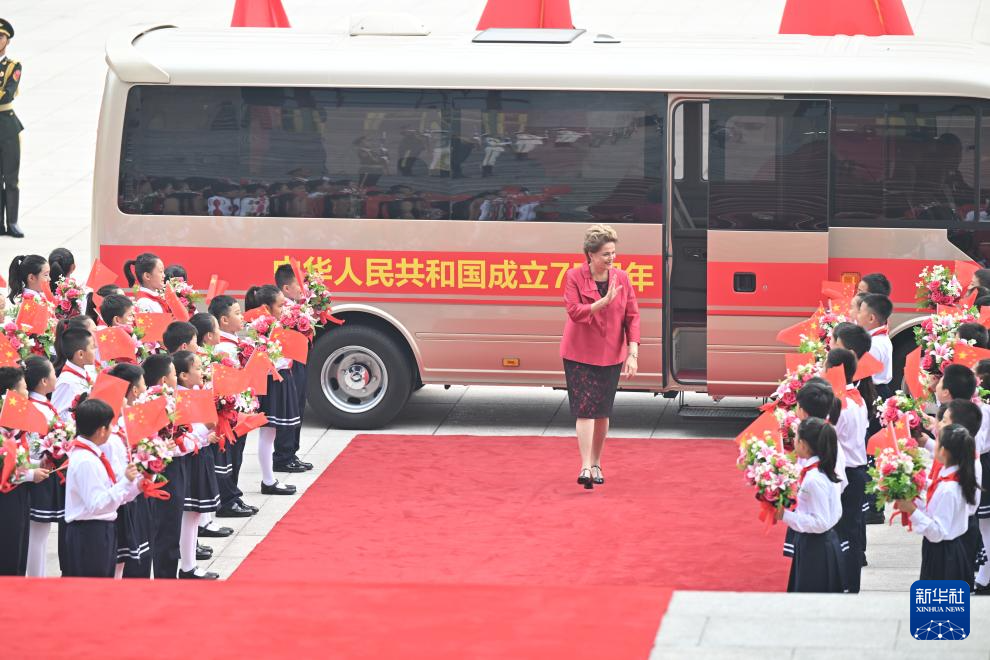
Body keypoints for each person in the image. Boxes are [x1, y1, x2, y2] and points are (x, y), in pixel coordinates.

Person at [560, 224, 640, 489]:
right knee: (585, 409)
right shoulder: (573, 276)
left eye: (613, 253)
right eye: (606, 254)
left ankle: (596, 462)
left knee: (602, 411)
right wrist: (602, 303)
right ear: (591, 254)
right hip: (579, 353)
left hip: (611, 354)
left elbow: (632, 316)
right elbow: (574, 311)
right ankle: (585, 466)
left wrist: (632, 353)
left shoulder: (622, 278)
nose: (611, 258)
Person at [63, 399, 142, 578]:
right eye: (110, 425)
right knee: (93, 587)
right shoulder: (86, 461)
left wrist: (137, 485)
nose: (112, 430)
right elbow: (97, 504)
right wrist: (125, 482)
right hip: (89, 533)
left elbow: (110, 494)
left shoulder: (91, 455)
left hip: (98, 530)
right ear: (101, 430)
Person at [896, 424, 979, 588]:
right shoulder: (951, 477)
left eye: (937, 442)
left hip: (943, 556)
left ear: (944, 452)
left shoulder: (949, 489)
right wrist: (917, 483)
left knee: (939, 603)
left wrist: (912, 510)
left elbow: (937, 532)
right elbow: (934, 496)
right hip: (945, 551)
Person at [777, 417, 845, 593]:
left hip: (816, 549)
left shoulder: (814, 479)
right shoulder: (824, 468)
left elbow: (820, 522)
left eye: (796, 437)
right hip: (822, 543)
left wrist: (784, 515)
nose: (794, 441)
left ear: (804, 445)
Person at [244, 284, 296, 496]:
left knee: (271, 432)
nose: (284, 309)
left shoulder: (274, 324)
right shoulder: (260, 329)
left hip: (279, 379)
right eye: (281, 305)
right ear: (267, 307)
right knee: (268, 431)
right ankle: (268, 480)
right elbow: (261, 361)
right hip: (270, 383)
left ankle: (270, 479)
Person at [104, 362, 154, 578]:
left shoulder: (134, 417)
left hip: (135, 491)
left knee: (139, 548)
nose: (146, 389)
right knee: (124, 555)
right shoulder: (119, 424)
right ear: (134, 390)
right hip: (124, 493)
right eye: (143, 384)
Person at [173, 350, 220, 579]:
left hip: (200, 453)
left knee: (194, 514)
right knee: (190, 513)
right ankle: (187, 567)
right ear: (183, 375)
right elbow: (183, 432)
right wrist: (205, 431)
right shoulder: (179, 398)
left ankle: (190, 564)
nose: (202, 372)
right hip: (190, 457)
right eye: (198, 368)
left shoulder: (195, 392)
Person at [208, 295, 256, 518]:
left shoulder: (235, 343)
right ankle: (227, 500)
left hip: (238, 407)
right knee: (228, 456)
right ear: (224, 320)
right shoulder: (223, 348)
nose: (242, 316)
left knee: (236, 454)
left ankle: (232, 496)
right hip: (229, 411)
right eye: (237, 313)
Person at [825, 348, 869, 592]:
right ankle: (850, 584)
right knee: (850, 531)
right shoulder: (856, 397)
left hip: (845, 473)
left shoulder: (840, 404)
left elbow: (829, 438)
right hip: (856, 469)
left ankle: (846, 585)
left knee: (843, 533)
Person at [0, 366, 50, 574]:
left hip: (20, 495)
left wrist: (39, 464)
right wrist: (31, 475)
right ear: (11, 394)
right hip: (6, 499)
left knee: (20, 548)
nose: (27, 393)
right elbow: (4, 468)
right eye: (24, 388)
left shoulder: (14, 426)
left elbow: (19, 461)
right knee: (9, 551)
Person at [273, 264, 313, 474]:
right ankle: (283, 456)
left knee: (298, 406)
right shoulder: (283, 310)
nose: (302, 288)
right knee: (290, 408)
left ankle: (291, 453)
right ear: (286, 288)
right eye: (299, 284)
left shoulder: (297, 307)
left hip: (298, 360)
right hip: (288, 364)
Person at [23, 356, 61, 577]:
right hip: (37, 473)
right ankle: (36, 581)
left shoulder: (42, 406)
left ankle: (38, 579)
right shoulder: (36, 409)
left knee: (40, 534)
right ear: (44, 381)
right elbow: (31, 446)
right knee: (37, 535)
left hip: (42, 471)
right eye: (53, 373)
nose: (56, 377)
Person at [0, 19, 24, 238]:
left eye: (1, 37)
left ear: (7, 41)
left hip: (7, 124)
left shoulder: (12, 66)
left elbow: (7, 93)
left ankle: (13, 222)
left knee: (11, 177)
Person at [51, 327, 95, 421]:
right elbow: (56, 416)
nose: (95, 350)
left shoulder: (86, 369)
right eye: (92, 347)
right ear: (80, 354)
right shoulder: (67, 381)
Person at [856, 293, 893, 400]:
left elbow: (861, 374)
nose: (857, 315)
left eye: (860, 311)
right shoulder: (878, 338)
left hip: (873, 393)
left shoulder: (874, 344)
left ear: (871, 318)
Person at [975, 361, 990, 594]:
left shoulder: (982, 409)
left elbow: (978, 443)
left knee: (985, 525)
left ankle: (985, 578)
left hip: (984, 463)